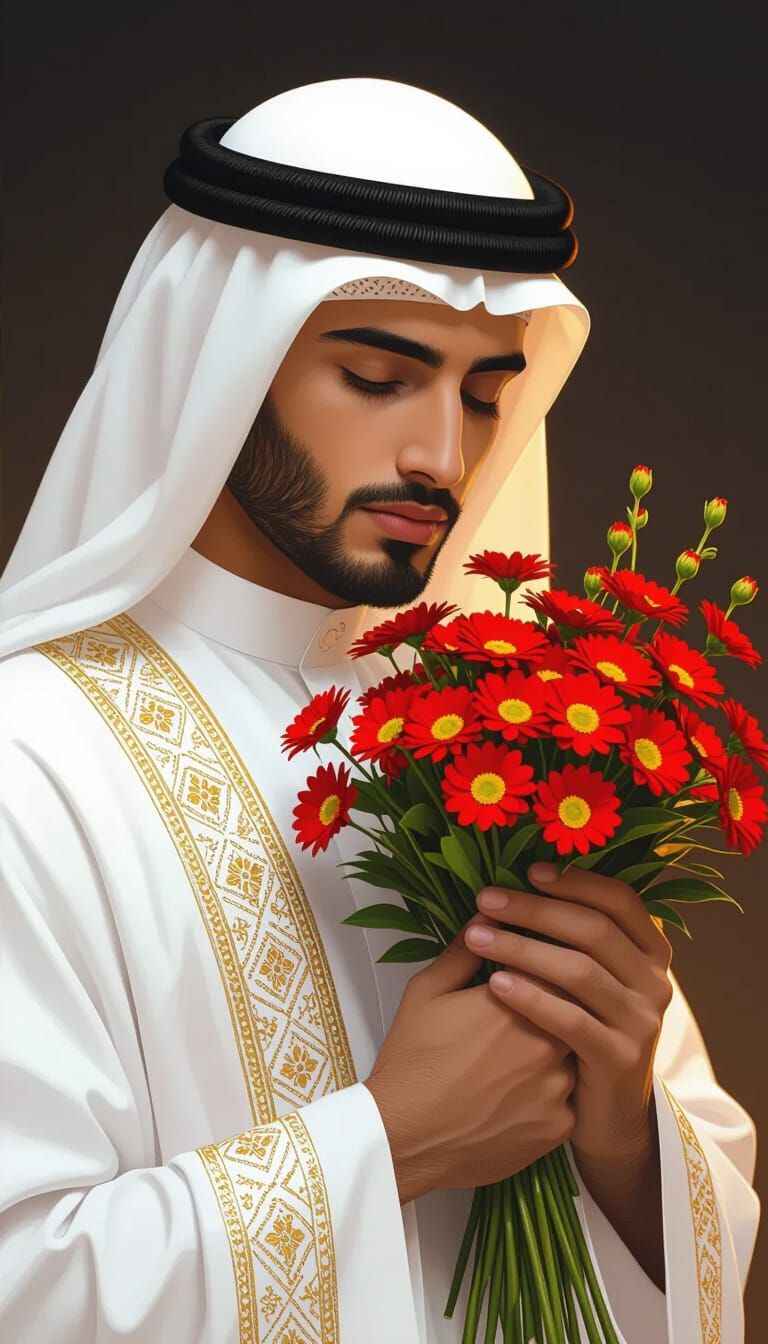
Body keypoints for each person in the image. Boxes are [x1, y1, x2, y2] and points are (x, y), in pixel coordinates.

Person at [0, 77, 759, 1343]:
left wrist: (626, 1119)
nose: (443, 460)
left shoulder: (500, 726)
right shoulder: (34, 758)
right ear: (221, 365)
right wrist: (385, 1143)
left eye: (478, 393)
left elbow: (717, 1224)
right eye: (376, 375)